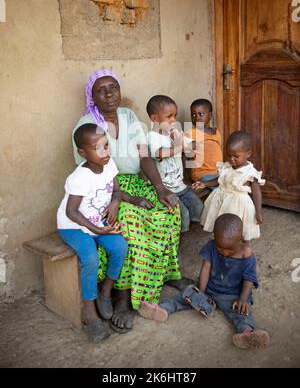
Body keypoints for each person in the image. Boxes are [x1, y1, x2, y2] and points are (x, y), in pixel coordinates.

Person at [72, 69, 182, 334]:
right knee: (129, 223)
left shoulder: (129, 116)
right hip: (105, 190)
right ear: (92, 96)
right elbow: (92, 172)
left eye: (113, 87)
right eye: (101, 90)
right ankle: (122, 296)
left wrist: (159, 187)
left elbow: (144, 155)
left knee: (168, 211)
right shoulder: (86, 125)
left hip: (135, 183)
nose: (109, 94)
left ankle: (162, 275)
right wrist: (119, 196)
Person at [139, 214, 270, 350]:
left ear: (241, 240)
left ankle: (247, 332)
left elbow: (249, 278)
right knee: (186, 294)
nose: (224, 253)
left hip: (233, 295)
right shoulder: (211, 246)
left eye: (229, 250)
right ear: (214, 238)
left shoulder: (246, 253)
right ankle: (162, 309)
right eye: (221, 249)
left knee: (241, 312)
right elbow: (206, 268)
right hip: (209, 288)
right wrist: (200, 292)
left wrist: (243, 298)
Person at [57, 123, 128, 342]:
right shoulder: (80, 177)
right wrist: (96, 229)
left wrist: (115, 203)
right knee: (90, 258)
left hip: (97, 222)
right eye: (97, 148)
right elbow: (71, 211)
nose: (105, 152)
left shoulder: (109, 164)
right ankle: (89, 311)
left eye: (106, 145)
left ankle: (105, 292)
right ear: (82, 153)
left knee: (120, 247)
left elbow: (116, 189)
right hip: (73, 226)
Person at [194, 130, 265, 241]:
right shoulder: (226, 166)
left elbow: (256, 193)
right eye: (229, 155)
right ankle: (220, 244)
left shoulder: (250, 172)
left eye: (236, 156)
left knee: (238, 231)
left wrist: (258, 211)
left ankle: (241, 250)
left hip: (238, 206)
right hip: (221, 200)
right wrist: (205, 183)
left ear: (248, 153)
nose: (232, 159)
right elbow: (220, 180)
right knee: (220, 226)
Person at [146, 95, 203, 232]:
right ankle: (177, 239)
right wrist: (180, 146)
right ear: (154, 118)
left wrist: (184, 142)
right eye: (169, 116)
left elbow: (195, 145)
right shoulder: (152, 137)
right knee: (181, 214)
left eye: (175, 116)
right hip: (165, 189)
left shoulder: (175, 133)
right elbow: (160, 153)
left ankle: (189, 231)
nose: (173, 120)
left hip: (180, 186)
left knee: (198, 207)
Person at [187, 99, 222, 190]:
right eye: (193, 115)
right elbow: (185, 153)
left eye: (201, 114)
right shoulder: (191, 133)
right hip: (203, 173)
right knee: (221, 192)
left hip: (219, 171)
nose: (197, 118)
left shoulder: (216, 132)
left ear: (210, 115)